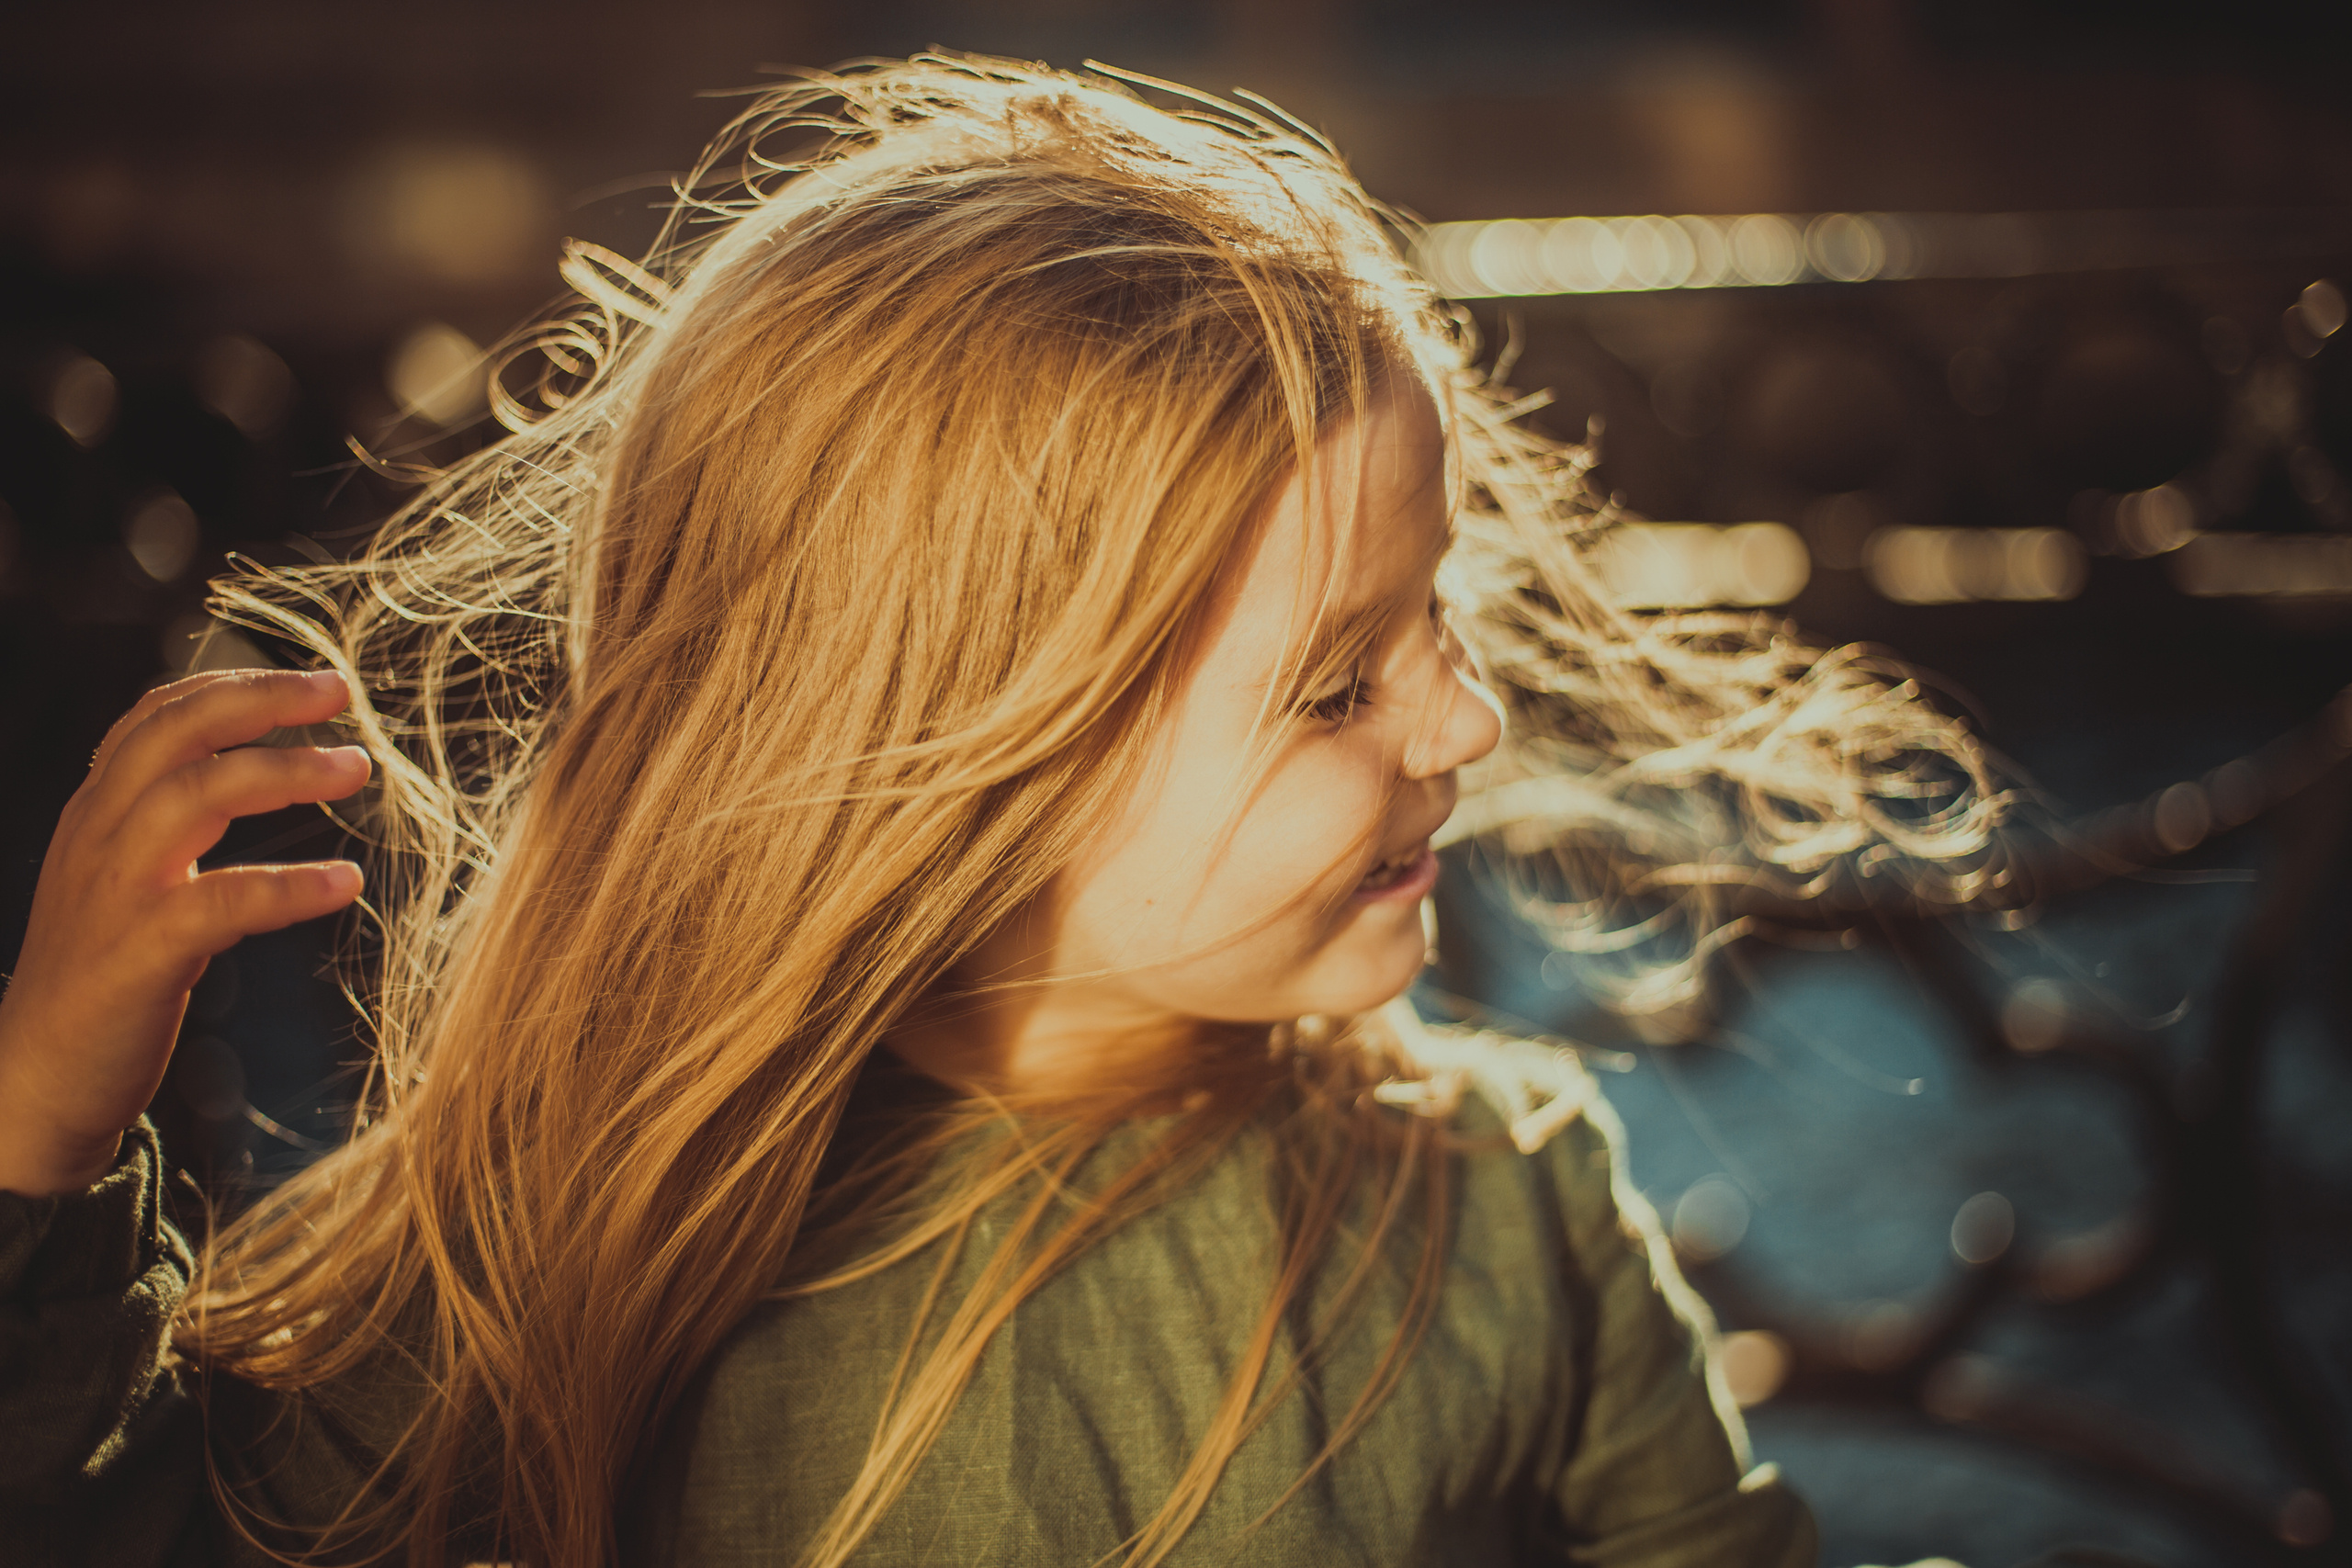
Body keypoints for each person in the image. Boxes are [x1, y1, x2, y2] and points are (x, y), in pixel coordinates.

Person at [0, 55, 1997, 1567]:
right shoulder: (571, 1259)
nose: (1465, 718)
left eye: (1436, 620)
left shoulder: (1506, 1205)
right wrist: (41, 1149)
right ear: (956, 767)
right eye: (1338, 681)